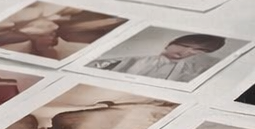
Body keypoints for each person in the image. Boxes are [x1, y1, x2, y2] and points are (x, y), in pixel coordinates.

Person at [87, 33, 227, 82]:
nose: (183, 54)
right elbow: (92, 63)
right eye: (183, 46)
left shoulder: (191, 70)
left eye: (195, 52)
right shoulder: (137, 53)